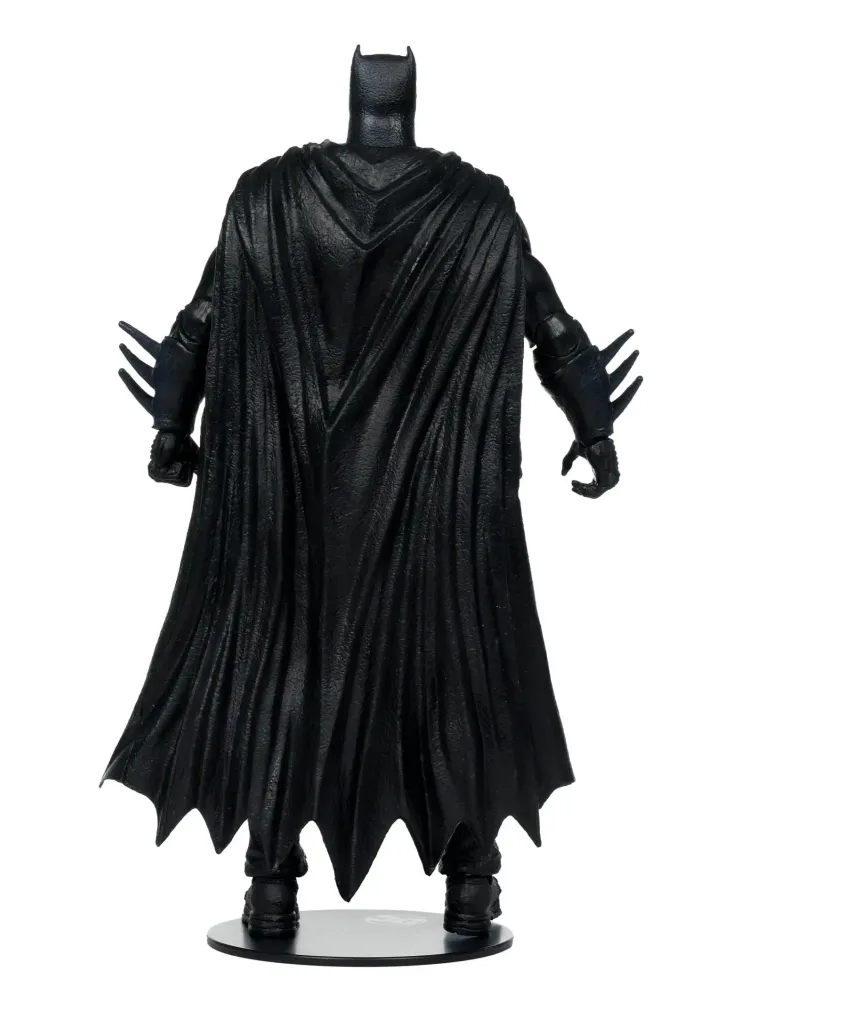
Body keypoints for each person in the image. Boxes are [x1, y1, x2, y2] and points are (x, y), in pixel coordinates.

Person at [104, 47, 641, 938]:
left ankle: (271, 886)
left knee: (292, 668)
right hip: (428, 506)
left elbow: (200, 318)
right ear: (409, 102)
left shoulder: (270, 200)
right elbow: (551, 327)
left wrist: (170, 427)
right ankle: (470, 883)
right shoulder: (476, 209)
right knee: (456, 671)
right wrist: (595, 430)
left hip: (322, 503)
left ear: (355, 98)